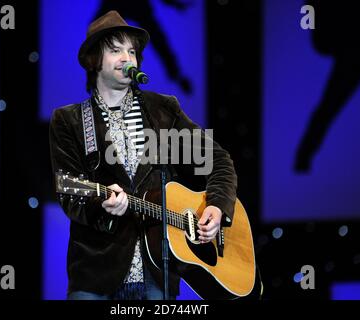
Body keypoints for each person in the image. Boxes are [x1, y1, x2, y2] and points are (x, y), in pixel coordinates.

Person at [49, 10, 237, 300]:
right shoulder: (70, 120)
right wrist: (103, 207)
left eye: (132, 51)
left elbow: (219, 161)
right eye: (115, 50)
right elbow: (69, 192)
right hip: (96, 275)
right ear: (94, 60)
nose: (127, 58)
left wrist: (217, 206)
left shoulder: (163, 110)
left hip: (157, 275)